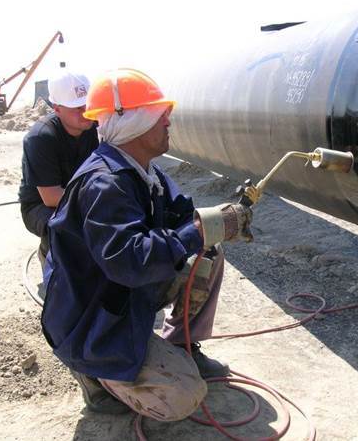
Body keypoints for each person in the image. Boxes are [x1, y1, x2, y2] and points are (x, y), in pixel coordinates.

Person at [41, 69, 253, 418]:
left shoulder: (144, 172)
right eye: (158, 115)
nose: (168, 121)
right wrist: (199, 231)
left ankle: (183, 344)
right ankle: (95, 373)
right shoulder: (104, 184)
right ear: (132, 123)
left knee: (208, 252)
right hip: (90, 320)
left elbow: (182, 215)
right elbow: (130, 263)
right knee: (182, 396)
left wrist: (216, 222)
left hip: (119, 295)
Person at [18, 71, 98, 269]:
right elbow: (51, 197)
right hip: (40, 206)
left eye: (88, 105)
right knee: (63, 226)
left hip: (78, 195)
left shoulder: (91, 127)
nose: (86, 112)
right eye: (77, 108)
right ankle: (50, 260)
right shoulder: (41, 137)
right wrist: (97, 199)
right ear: (57, 109)